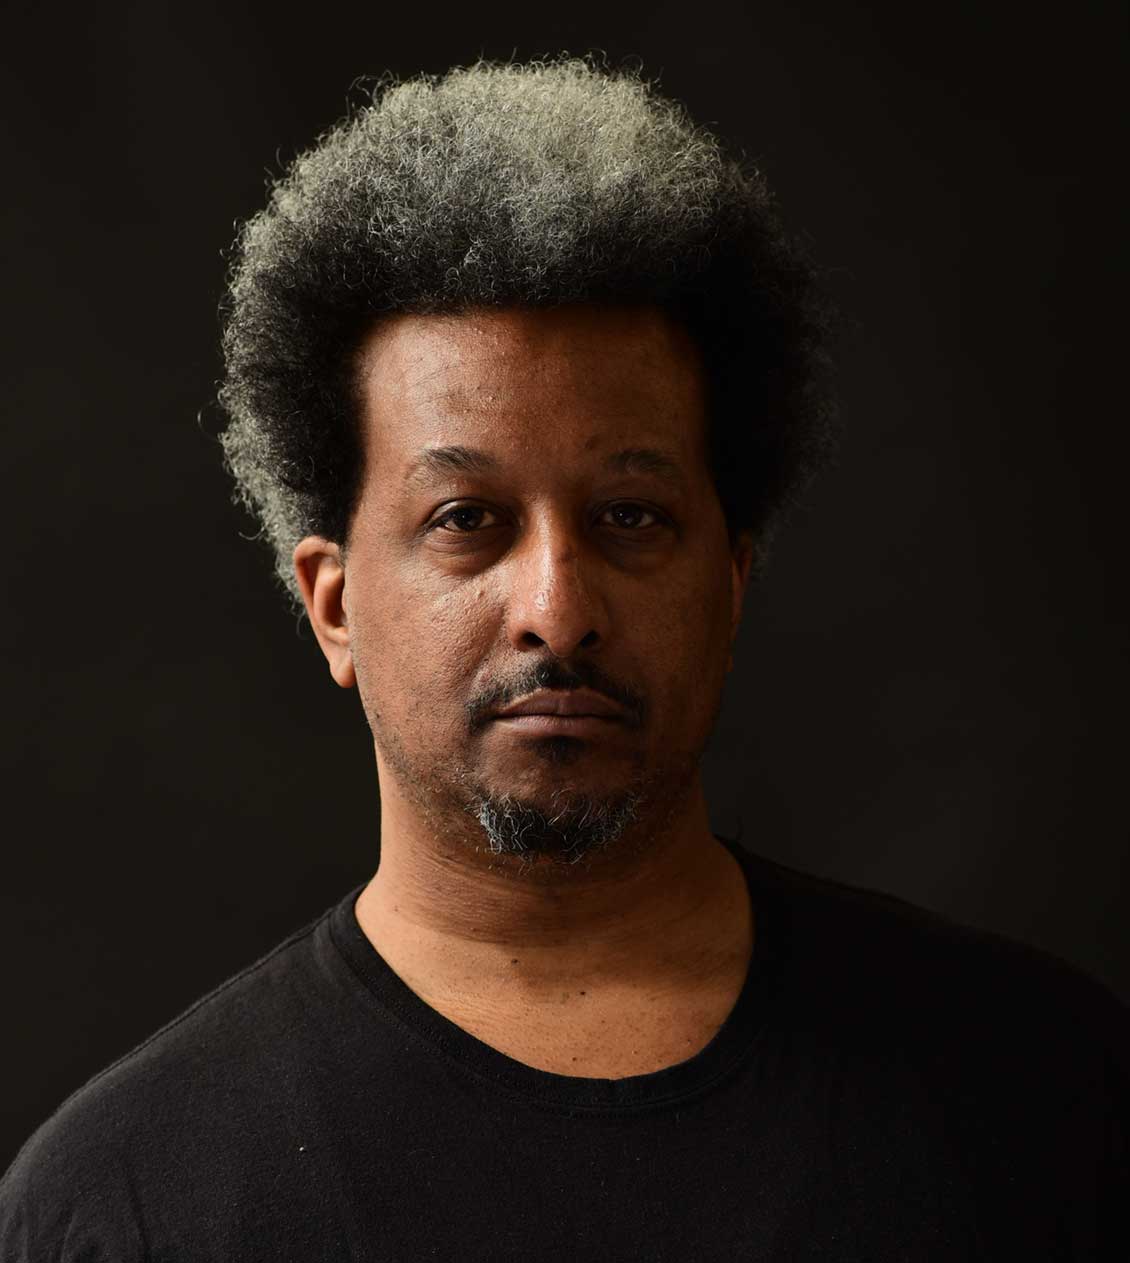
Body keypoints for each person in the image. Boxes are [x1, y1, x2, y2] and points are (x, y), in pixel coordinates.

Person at [1, 56, 1125, 1262]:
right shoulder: (121, 1204)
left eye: (629, 517)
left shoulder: (1046, 1089)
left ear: (730, 582)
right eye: (466, 520)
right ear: (333, 607)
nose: (556, 608)